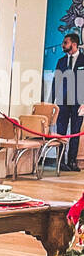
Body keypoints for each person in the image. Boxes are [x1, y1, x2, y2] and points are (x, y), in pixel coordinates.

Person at [52, 31, 84, 171]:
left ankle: (72, 161)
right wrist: (52, 101)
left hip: (78, 102)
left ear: (74, 44)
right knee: (61, 132)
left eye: (66, 43)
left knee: (75, 132)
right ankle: (60, 162)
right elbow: (56, 82)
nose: (63, 45)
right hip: (62, 103)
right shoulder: (61, 61)